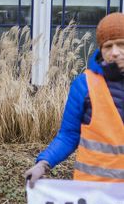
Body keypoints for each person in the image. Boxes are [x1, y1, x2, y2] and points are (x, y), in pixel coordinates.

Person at [24, 12, 124, 187]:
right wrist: (43, 163)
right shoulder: (84, 85)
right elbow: (69, 135)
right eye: (108, 46)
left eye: (121, 44)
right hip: (93, 193)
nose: (114, 52)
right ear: (100, 49)